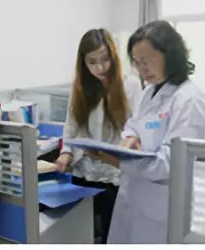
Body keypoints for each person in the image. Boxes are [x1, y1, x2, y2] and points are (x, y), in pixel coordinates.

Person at [97, 21, 205, 244]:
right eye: (136, 63)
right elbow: (133, 124)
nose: (141, 69)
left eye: (146, 61)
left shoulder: (188, 100)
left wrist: (120, 161)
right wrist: (130, 139)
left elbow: (171, 163)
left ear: (170, 54)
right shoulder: (150, 92)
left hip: (162, 209)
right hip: (134, 197)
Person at [55, 29, 141, 243]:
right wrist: (66, 153)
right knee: (83, 234)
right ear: (83, 63)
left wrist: (127, 146)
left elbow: (137, 128)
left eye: (104, 59)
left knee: (112, 236)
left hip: (114, 175)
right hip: (84, 173)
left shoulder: (130, 85)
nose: (100, 68)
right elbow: (71, 126)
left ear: (113, 56)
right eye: (92, 62)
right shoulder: (80, 88)